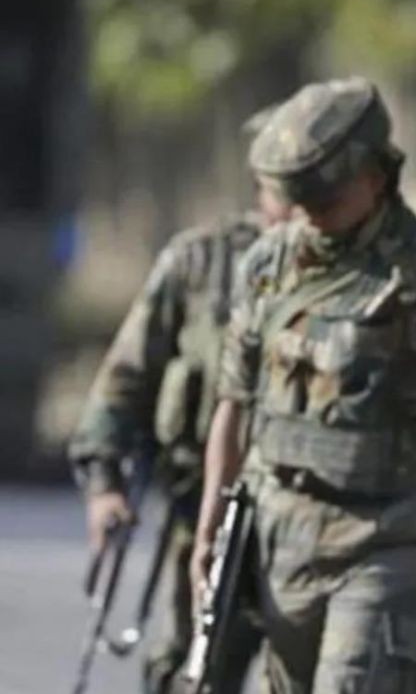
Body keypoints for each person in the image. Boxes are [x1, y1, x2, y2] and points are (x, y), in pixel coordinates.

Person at [190, 76, 416, 693]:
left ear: (376, 178)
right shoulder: (268, 265)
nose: (311, 216)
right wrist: (209, 527)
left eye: (327, 201)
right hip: (280, 533)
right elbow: (235, 402)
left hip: (384, 537)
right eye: (301, 202)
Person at [69, 105, 289, 693]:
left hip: (315, 523)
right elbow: (126, 377)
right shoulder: (200, 260)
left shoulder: (360, 266)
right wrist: (105, 486)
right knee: (189, 673)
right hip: (205, 514)